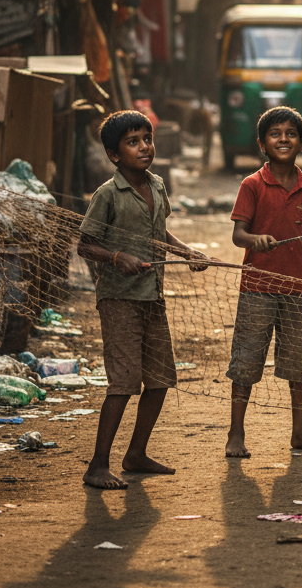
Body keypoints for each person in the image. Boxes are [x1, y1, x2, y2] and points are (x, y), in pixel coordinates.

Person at [77, 110, 208, 490]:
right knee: (123, 383)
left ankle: (135, 454)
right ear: (114, 155)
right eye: (133, 142)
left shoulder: (158, 185)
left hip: (152, 295)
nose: (144, 147)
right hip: (119, 298)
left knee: (161, 379)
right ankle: (97, 465)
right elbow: (86, 244)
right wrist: (118, 258)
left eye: (147, 139)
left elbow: (160, 232)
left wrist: (187, 252)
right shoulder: (107, 195)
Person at [226, 106, 302, 458]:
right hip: (257, 288)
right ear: (262, 143)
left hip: (298, 289)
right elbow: (238, 235)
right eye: (275, 134)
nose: (283, 139)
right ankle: (235, 434)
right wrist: (255, 239)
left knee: (300, 363)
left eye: (290, 134)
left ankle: (299, 433)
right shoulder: (252, 185)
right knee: (246, 361)